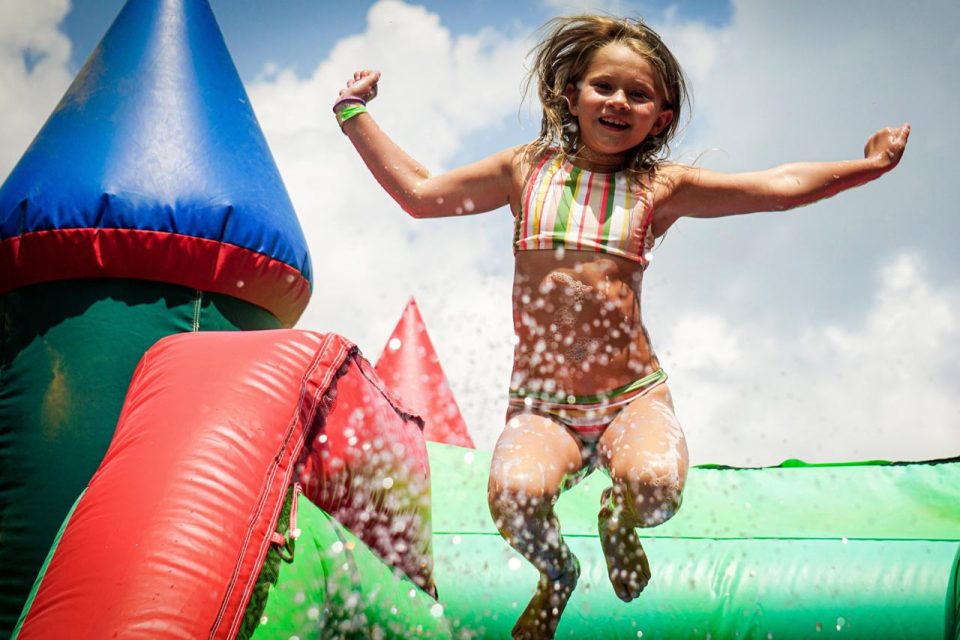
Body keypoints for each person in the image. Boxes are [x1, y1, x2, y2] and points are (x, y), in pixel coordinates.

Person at [333, 14, 909, 639]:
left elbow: (772, 187)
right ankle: (557, 573)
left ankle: (619, 515)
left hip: (631, 399)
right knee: (514, 498)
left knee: (657, 488)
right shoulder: (527, 170)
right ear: (571, 95)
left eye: (639, 95)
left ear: (659, 119)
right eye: (604, 87)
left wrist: (868, 167)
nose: (618, 102)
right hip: (544, 409)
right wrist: (352, 113)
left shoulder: (655, 188)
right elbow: (419, 193)